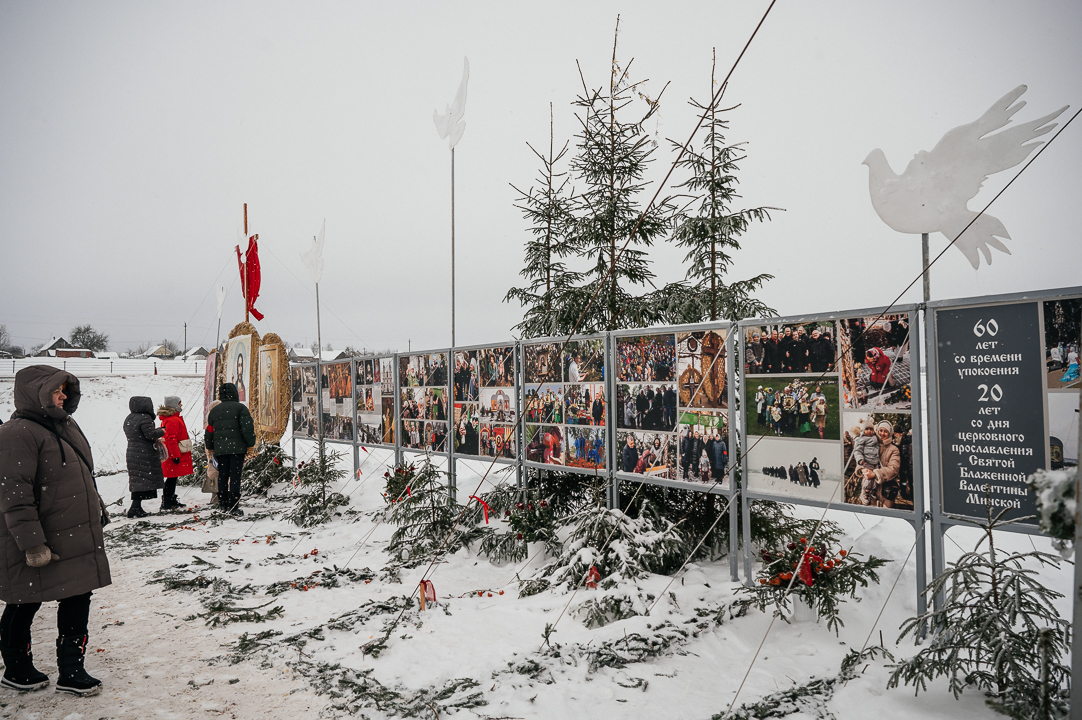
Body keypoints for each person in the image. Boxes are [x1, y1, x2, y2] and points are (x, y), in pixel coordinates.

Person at [0, 366, 109, 696]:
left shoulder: (65, 425)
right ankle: (17, 668)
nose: (63, 396)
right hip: (36, 537)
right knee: (24, 601)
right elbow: (14, 494)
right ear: (36, 393)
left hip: (72, 532)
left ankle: (72, 672)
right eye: (56, 390)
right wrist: (32, 544)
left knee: (78, 596)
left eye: (64, 390)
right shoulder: (16, 433)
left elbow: (82, 474)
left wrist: (97, 507)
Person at [205, 383, 256, 517]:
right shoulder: (241, 409)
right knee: (235, 477)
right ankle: (233, 506)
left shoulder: (215, 411)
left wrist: (210, 448)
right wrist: (250, 445)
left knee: (223, 476)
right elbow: (247, 429)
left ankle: (223, 504)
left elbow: (209, 431)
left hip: (220, 450)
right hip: (237, 449)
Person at [123, 396, 165, 518]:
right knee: (144, 480)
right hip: (144, 452)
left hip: (133, 451)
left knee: (138, 480)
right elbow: (150, 434)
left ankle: (136, 507)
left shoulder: (129, 418)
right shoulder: (145, 418)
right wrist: (162, 431)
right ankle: (135, 508)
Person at [157, 396, 192, 512]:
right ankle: (167, 501)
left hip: (171, 453)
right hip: (173, 453)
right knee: (171, 478)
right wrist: (176, 455)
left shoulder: (170, 419)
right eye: (179, 403)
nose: (181, 405)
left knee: (172, 477)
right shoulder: (173, 420)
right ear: (174, 405)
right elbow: (171, 439)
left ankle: (170, 499)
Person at [203, 399, 221, 505]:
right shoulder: (214, 421)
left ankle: (215, 497)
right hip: (215, 451)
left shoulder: (210, 420)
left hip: (212, 451)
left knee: (214, 473)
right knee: (216, 473)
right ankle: (216, 498)